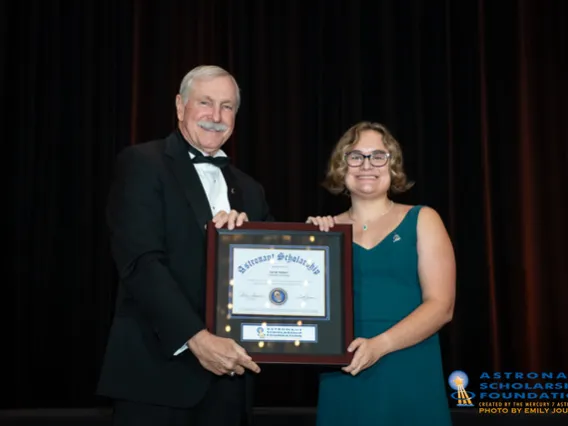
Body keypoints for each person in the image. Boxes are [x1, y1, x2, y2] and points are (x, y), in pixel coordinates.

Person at [96, 65, 273, 426]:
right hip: (156, 375)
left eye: (227, 107)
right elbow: (141, 263)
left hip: (230, 382)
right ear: (180, 107)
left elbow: (270, 275)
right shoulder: (142, 163)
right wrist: (197, 338)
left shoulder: (251, 190)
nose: (216, 116)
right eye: (205, 103)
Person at [306, 121, 455, 425]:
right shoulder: (323, 231)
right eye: (355, 156)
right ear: (341, 166)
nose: (366, 165)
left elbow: (442, 307)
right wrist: (305, 245)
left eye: (378, 156)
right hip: (344, 371)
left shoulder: (423, 219)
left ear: (393, 165)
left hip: (409, 366)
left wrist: (380, 345)